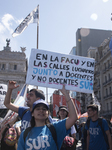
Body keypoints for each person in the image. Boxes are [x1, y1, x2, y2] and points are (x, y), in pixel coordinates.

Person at [17, 85, 78, 150]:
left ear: (48, 113)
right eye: (38, 109)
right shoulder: (25, 133)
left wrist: (67, 95)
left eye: (44, 109)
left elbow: (73, 117)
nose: (41, 111)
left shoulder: (55, 128)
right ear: (32, 113)